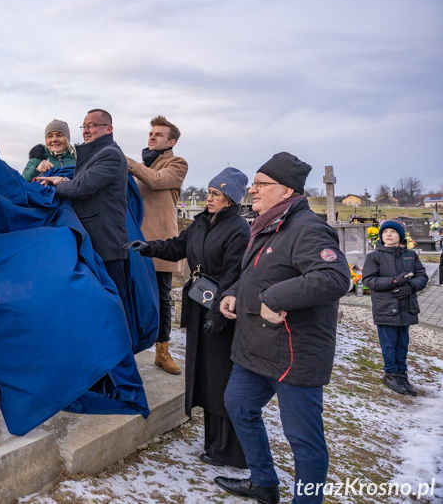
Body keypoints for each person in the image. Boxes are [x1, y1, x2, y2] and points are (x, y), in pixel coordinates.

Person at [215, 152, 350, 504]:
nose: (253, 190)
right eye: (254, 184)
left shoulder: (307, 228)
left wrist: (274, 298)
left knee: (303, 439)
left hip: (293, 353)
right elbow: (258, 272)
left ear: (287, 190)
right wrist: (234, 292)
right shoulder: (269, 224)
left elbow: (334, 277)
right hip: (255, 349)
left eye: (261, 184)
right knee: (238, 405)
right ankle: (263, 482)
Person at [127, 167, 249, 468]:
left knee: (220, 376)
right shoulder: (202, 223)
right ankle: (213, 441)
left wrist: (218, 317)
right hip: (199, 306)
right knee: (205, 374)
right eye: (209, 192)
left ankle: (229, 448)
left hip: (221, 310)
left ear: (232, 199)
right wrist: (149, 248)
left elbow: (234, 276)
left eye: (217, 194)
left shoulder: (238, 230)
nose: (210, 198)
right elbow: (177, 247)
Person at [35, 109, 128, 303]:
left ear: (109, 129)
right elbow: (82, 183)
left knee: (112, 302)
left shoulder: (109, 154)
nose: (86, 130)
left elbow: (81, 187)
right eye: (84, 126)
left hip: (104, 243)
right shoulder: (95, 154)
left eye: (92, 126)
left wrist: (55, 187)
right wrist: (63, 180)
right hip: (93, 241)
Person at [126, 115, 188, 374]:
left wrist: (127, 163)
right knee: (133, 294)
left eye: (158, 134)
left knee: (162, 298)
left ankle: (163, 351)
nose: (152, 137)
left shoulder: (177, 164)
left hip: (162, 243)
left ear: (171, 142)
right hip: (137, 242)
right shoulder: (142, 165)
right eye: (151, 133)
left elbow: (157, 180)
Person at [360, 220, 428, 396]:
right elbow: (369, 280)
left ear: (400, 235)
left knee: (402, 343)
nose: (388, 234)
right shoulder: (374, 257)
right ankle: (391, 374)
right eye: (385, 232)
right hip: (386, 307)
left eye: (393, 231)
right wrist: (393, 281)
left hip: (406, 306)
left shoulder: (410, 255)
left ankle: (402, 375)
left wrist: (410, 287)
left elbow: (422, 276)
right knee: (389, 344)